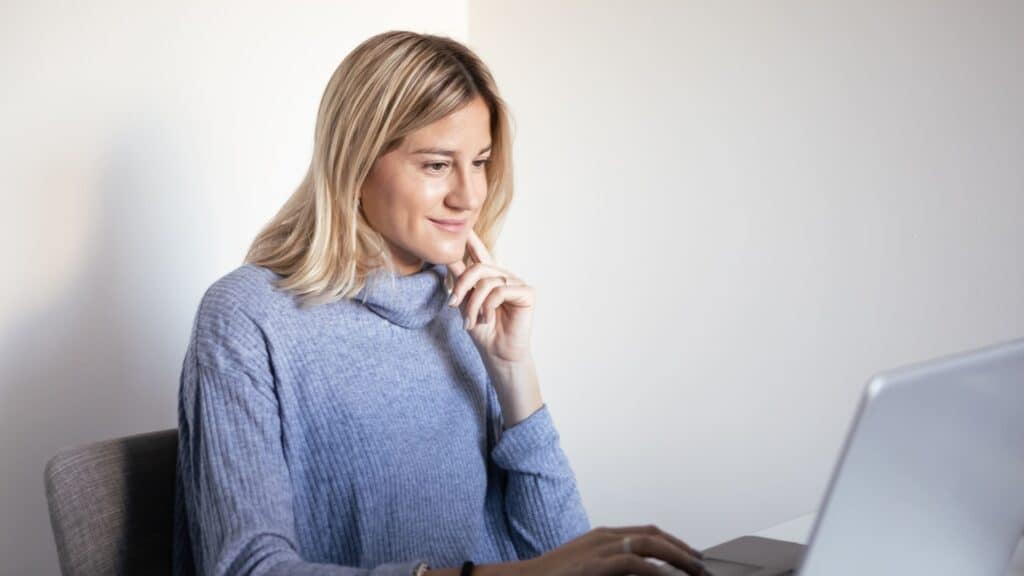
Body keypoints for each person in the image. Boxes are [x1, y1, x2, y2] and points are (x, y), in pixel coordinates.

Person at [172, 30, 709, 576]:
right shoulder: (248, 318)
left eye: (479, 161)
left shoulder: (467, 303)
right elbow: (245, 568)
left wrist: (512, 373)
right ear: (354, 168)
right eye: (436, 165)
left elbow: (561, 549)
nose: (469, 195)